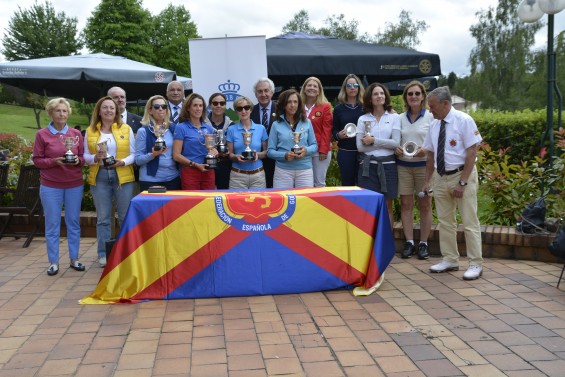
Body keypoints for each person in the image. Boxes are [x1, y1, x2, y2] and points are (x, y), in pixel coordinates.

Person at [422, 86, 484, 280]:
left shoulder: (464, 120)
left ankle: (475, 263)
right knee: (445, 221)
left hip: (461, 176)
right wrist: (427, 180)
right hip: (441, 177)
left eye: (432, 107)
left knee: (469, 221)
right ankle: (450, 259)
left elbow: (472, 152)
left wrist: (463, 182)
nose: (430, 111)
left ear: (445, 103)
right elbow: (430, 154)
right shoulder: (433, 124)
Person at [32, 98, 85, 276]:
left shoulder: (76, 134)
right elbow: (37, 160)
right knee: (52, 223)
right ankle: (53, 262)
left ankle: (74, 259)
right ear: (50, 113)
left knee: (73, 222)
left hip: (74, 184)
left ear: (68, 113)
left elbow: (83, 158)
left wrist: (79, 160)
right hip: (50, 186)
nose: (62, 114)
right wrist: (53, 161)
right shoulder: (42, 134)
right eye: (58, 111)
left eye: (64, 111)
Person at [84, 96, 136, 267]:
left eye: (111, 108)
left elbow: (134, 154)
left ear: (116, 111)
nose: (108, 111)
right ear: (99, 110)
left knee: (124, 217)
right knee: (103, 219)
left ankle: (127, 253)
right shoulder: (90, 131)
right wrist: (94, 157)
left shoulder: (126, 128)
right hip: (100, 176)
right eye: (105, 107)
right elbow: (85, 156)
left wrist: (122, 162)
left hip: (122, 175)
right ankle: (104, 254)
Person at [394, 81, 434, 260]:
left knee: (425, 205)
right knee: (406, 205)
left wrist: (426, 149)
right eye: (410, 94)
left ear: (423, 96)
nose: (414, 97)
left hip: (424, 168)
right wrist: (396, 148)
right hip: (403, 166)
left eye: (417, 93)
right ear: (406, 97)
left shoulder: (431, 117)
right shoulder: (399, 118)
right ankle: (409, 242)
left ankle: (424, 243)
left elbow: (436, 141)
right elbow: (394, 139)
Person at [356, 83, 400, 229]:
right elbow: (360, 146)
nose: (379, 96)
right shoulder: (363, 119)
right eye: (375, 94)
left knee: (387, 205)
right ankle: (370, 244)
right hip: (368, 168)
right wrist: (384, 144)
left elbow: (395, 143)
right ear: (370, 98)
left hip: (388, 167)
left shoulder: (394, 117)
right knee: (369, 206)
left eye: (381, 93)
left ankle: (388, 244)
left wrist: (374, 141)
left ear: (385, 96)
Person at [267, 89, 318, 188]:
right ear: (283, 104)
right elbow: (270, 151)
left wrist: (305, 150)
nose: (292, 105)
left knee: (305, 202)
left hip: (305, 170)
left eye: (295, 102)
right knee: (282, 202)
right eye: (289, 102)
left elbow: (314, 145)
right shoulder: (276, 124)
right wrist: (284, 155)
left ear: (299, 104)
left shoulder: (307, 122)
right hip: (283, 171)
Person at [135, 95, 180, 191]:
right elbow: (138, 160)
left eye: (164, 106)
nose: (161, 109)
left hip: (173, 178)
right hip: (150, 180)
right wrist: (153, 154)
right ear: (150, 110)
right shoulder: (143, 131)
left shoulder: (174, 128)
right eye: (156, 107)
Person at [173, 93, 218, 190]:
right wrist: (194, 164)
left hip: (208, 170)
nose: (198, 109)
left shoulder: (209, 128)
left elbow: (211, 150)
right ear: (188, 108)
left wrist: (215, 152)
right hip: (190, 171)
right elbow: (176, 155)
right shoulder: (181, 127)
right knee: (192, 203)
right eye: (195, 105)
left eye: (201, 106)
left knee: (208, 202)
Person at [226, 96, 269, 189]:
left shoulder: (261, 128)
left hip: (258, 176)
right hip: (237, 176)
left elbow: (266, 152)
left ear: (251, 109)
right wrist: (236, 157)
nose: (243, 111)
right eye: (239, 108)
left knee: (259, 203)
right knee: (236, 203)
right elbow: (229, 154)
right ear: (236, 111)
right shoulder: (231, 129)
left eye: (246, 107)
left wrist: (257, 155)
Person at [332, 74, 365, 186]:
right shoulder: (338, 109)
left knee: (363, 185)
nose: (352, 88)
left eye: (355, 85)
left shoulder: (366, 107)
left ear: (359, 87)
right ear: (344, 88)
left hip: (364, 152)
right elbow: (334, 130)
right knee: (347, 185)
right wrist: (338, 135)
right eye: (349, 85)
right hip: (346, 152)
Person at [300, 77, 333, 187]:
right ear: (304, 88)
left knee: (318, 183)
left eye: (315, 86)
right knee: (305, 184)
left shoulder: (325, 106)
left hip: (319, 151)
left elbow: (327, 129)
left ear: (319, 90)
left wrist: (323, 150)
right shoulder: (298, 105)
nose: (312, 88)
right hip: (302, 150)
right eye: (309, 85)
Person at [251, 78, 277, 188]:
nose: (263, 94)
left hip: (277, 160)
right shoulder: (250, 111)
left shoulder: (281, 109)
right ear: (256, 94)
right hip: (256, 160)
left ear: (272, 92)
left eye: (266, 90)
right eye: (260, 91)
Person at [208, 92, 234, 189]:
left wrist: (228, 152)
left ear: (225, 105)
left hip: (225, 165)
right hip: (208, 164)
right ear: (210, 105)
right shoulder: (203, 123)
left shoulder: (231, 124)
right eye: (215, 103)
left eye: (222, 103)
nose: (219, 106)